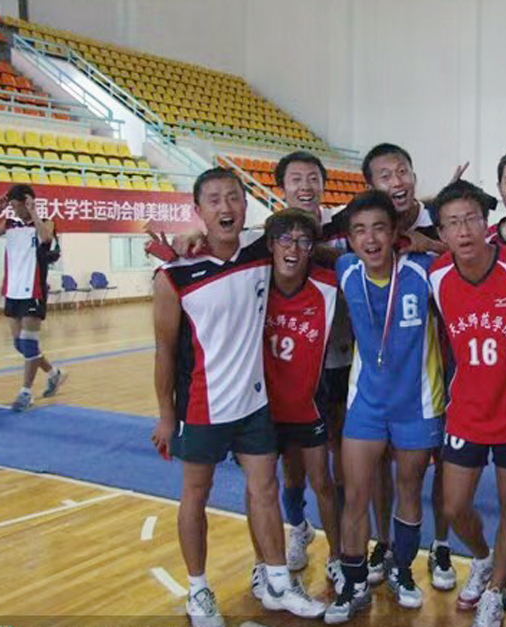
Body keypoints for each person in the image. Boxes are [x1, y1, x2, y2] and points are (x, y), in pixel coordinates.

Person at [150, 168, 326, 626]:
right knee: (195, 496)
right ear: (198, 209)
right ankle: (198, 590)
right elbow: (164, 352)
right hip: (200, 407)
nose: (225, 207)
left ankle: (277, 582)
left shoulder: (261, 252)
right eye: (214, 200)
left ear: (246, 206)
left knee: (265, 489)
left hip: (254, 404)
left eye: (233, 197)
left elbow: (305, 229)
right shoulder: (173, 276)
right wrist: (166, 415)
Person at [325, 190, 446, 623]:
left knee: (409, 490)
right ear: (349, 239)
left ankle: (402, 570)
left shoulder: (424, 270)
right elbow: (289, 243)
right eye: (359, 231)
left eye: (379, 228)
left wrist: (430, 242)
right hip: (366, 404)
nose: (370, 239)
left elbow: (470, 255)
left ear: (396, 233)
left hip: (418, 403)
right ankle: (354, 582)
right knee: (355, 494)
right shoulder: (344, 269)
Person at [428, 180, 506, 627]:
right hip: (465, 411)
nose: (464, 230)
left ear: (486, 223)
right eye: (452, 223)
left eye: (471, 219)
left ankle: (495, 589)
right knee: (453, 507)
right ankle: (484, 558)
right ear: (442, 234)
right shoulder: (436, 276)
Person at [360, 143, 455, 590]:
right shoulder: (364, 223)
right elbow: (302, 238)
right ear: (371, 186)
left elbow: (472, 256)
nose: (396, 181)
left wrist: (430, 244)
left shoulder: (440, 219)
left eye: (402, 171)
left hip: (441, 362)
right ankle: (383, 542)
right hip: (382, 371)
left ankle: (441, 544)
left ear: (414, 177)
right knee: (381, 464)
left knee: (439, 462)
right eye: (385, 175)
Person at [248, 208, 343, 601]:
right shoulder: (252, 281)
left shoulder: (327, 284)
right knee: (263, 487)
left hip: (307, 405)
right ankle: (263, 563)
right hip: (261, 409)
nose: (294, 248)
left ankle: (337, 557)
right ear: (271, 245)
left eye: (303, 241)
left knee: (322, 482)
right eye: (285, 239)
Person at [0, 184, 66, 411]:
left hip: (33, 290)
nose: (14, 210)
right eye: (12, 206)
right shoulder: (10, 224)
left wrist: (33, 211)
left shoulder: (46, 222)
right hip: (13, 290)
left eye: (17, 206)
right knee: (19, 344)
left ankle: (26, 392)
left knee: (29, 343)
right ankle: (53, 373)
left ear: (27, 203)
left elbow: (45, 238)